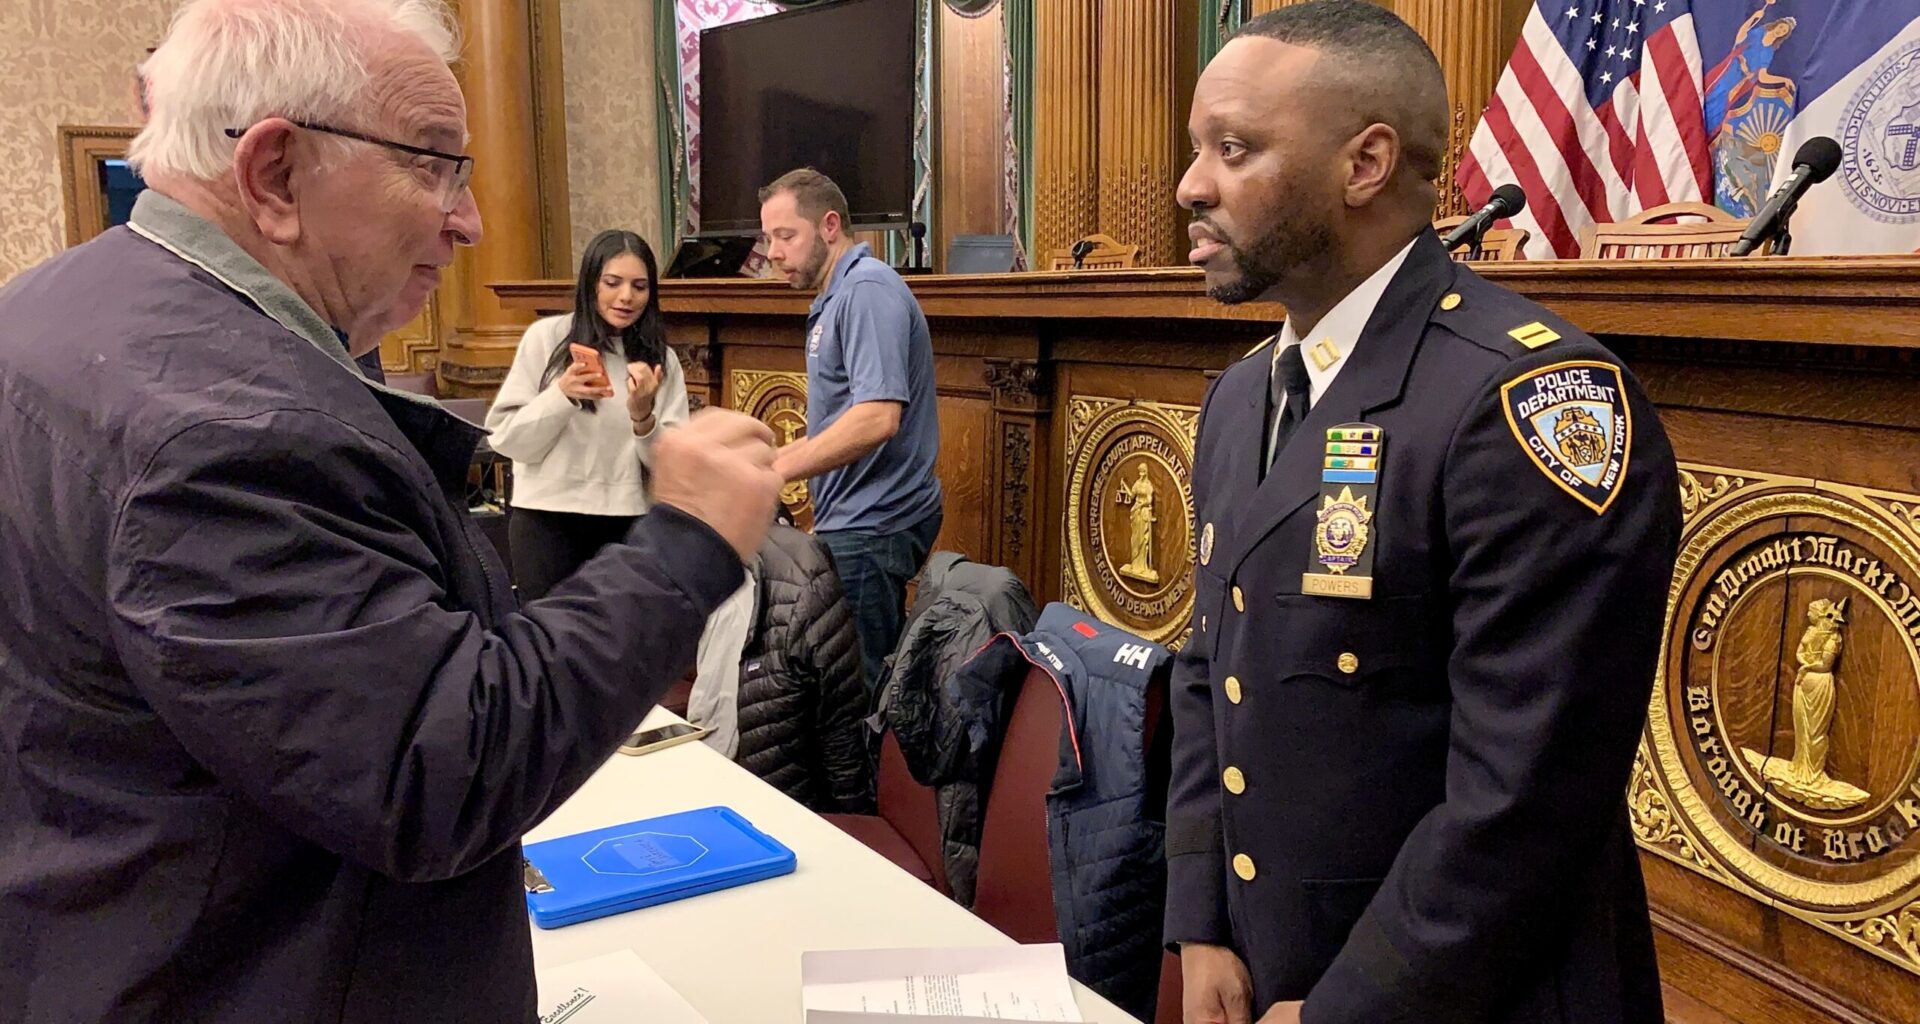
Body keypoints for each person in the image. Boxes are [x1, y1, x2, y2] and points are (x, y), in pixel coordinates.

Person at [0, 0, 781, 1020]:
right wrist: (686, 539)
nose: (470, 220)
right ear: (275, 174)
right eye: (435, 164)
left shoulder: (48, 306)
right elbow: (440, 768)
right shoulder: (222, 433)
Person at [1164, 4, 1680, 1023]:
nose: (1190, 185)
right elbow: (1206, 669)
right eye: (1197, 150)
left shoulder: (1528, 403)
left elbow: (1524, 801)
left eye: (1233, 149)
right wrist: (1202, 918)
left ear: (1365, 164)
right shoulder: (1241, 396)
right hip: (1272, 961)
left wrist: (1347, 1009)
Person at [759, 168, 943, 693]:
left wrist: (778, 468)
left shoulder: (866, 291)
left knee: (858, 698)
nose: (772, 251)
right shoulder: (838, 295)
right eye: (768, 237)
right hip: (855, 520)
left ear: (830, 225)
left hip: (875, 525)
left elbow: (878, 416)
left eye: (785, 235)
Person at [486, 228, 690, 599]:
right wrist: (561, 395)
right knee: (549, 647)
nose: (626, 297)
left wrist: (643, 417)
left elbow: (673, 468)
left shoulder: (661, 358)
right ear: (591, 282)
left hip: (628, 522)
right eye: (613, 282)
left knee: (623, 646)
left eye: (639, 286)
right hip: (547, 519)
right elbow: (506, 438)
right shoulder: (547, 338)